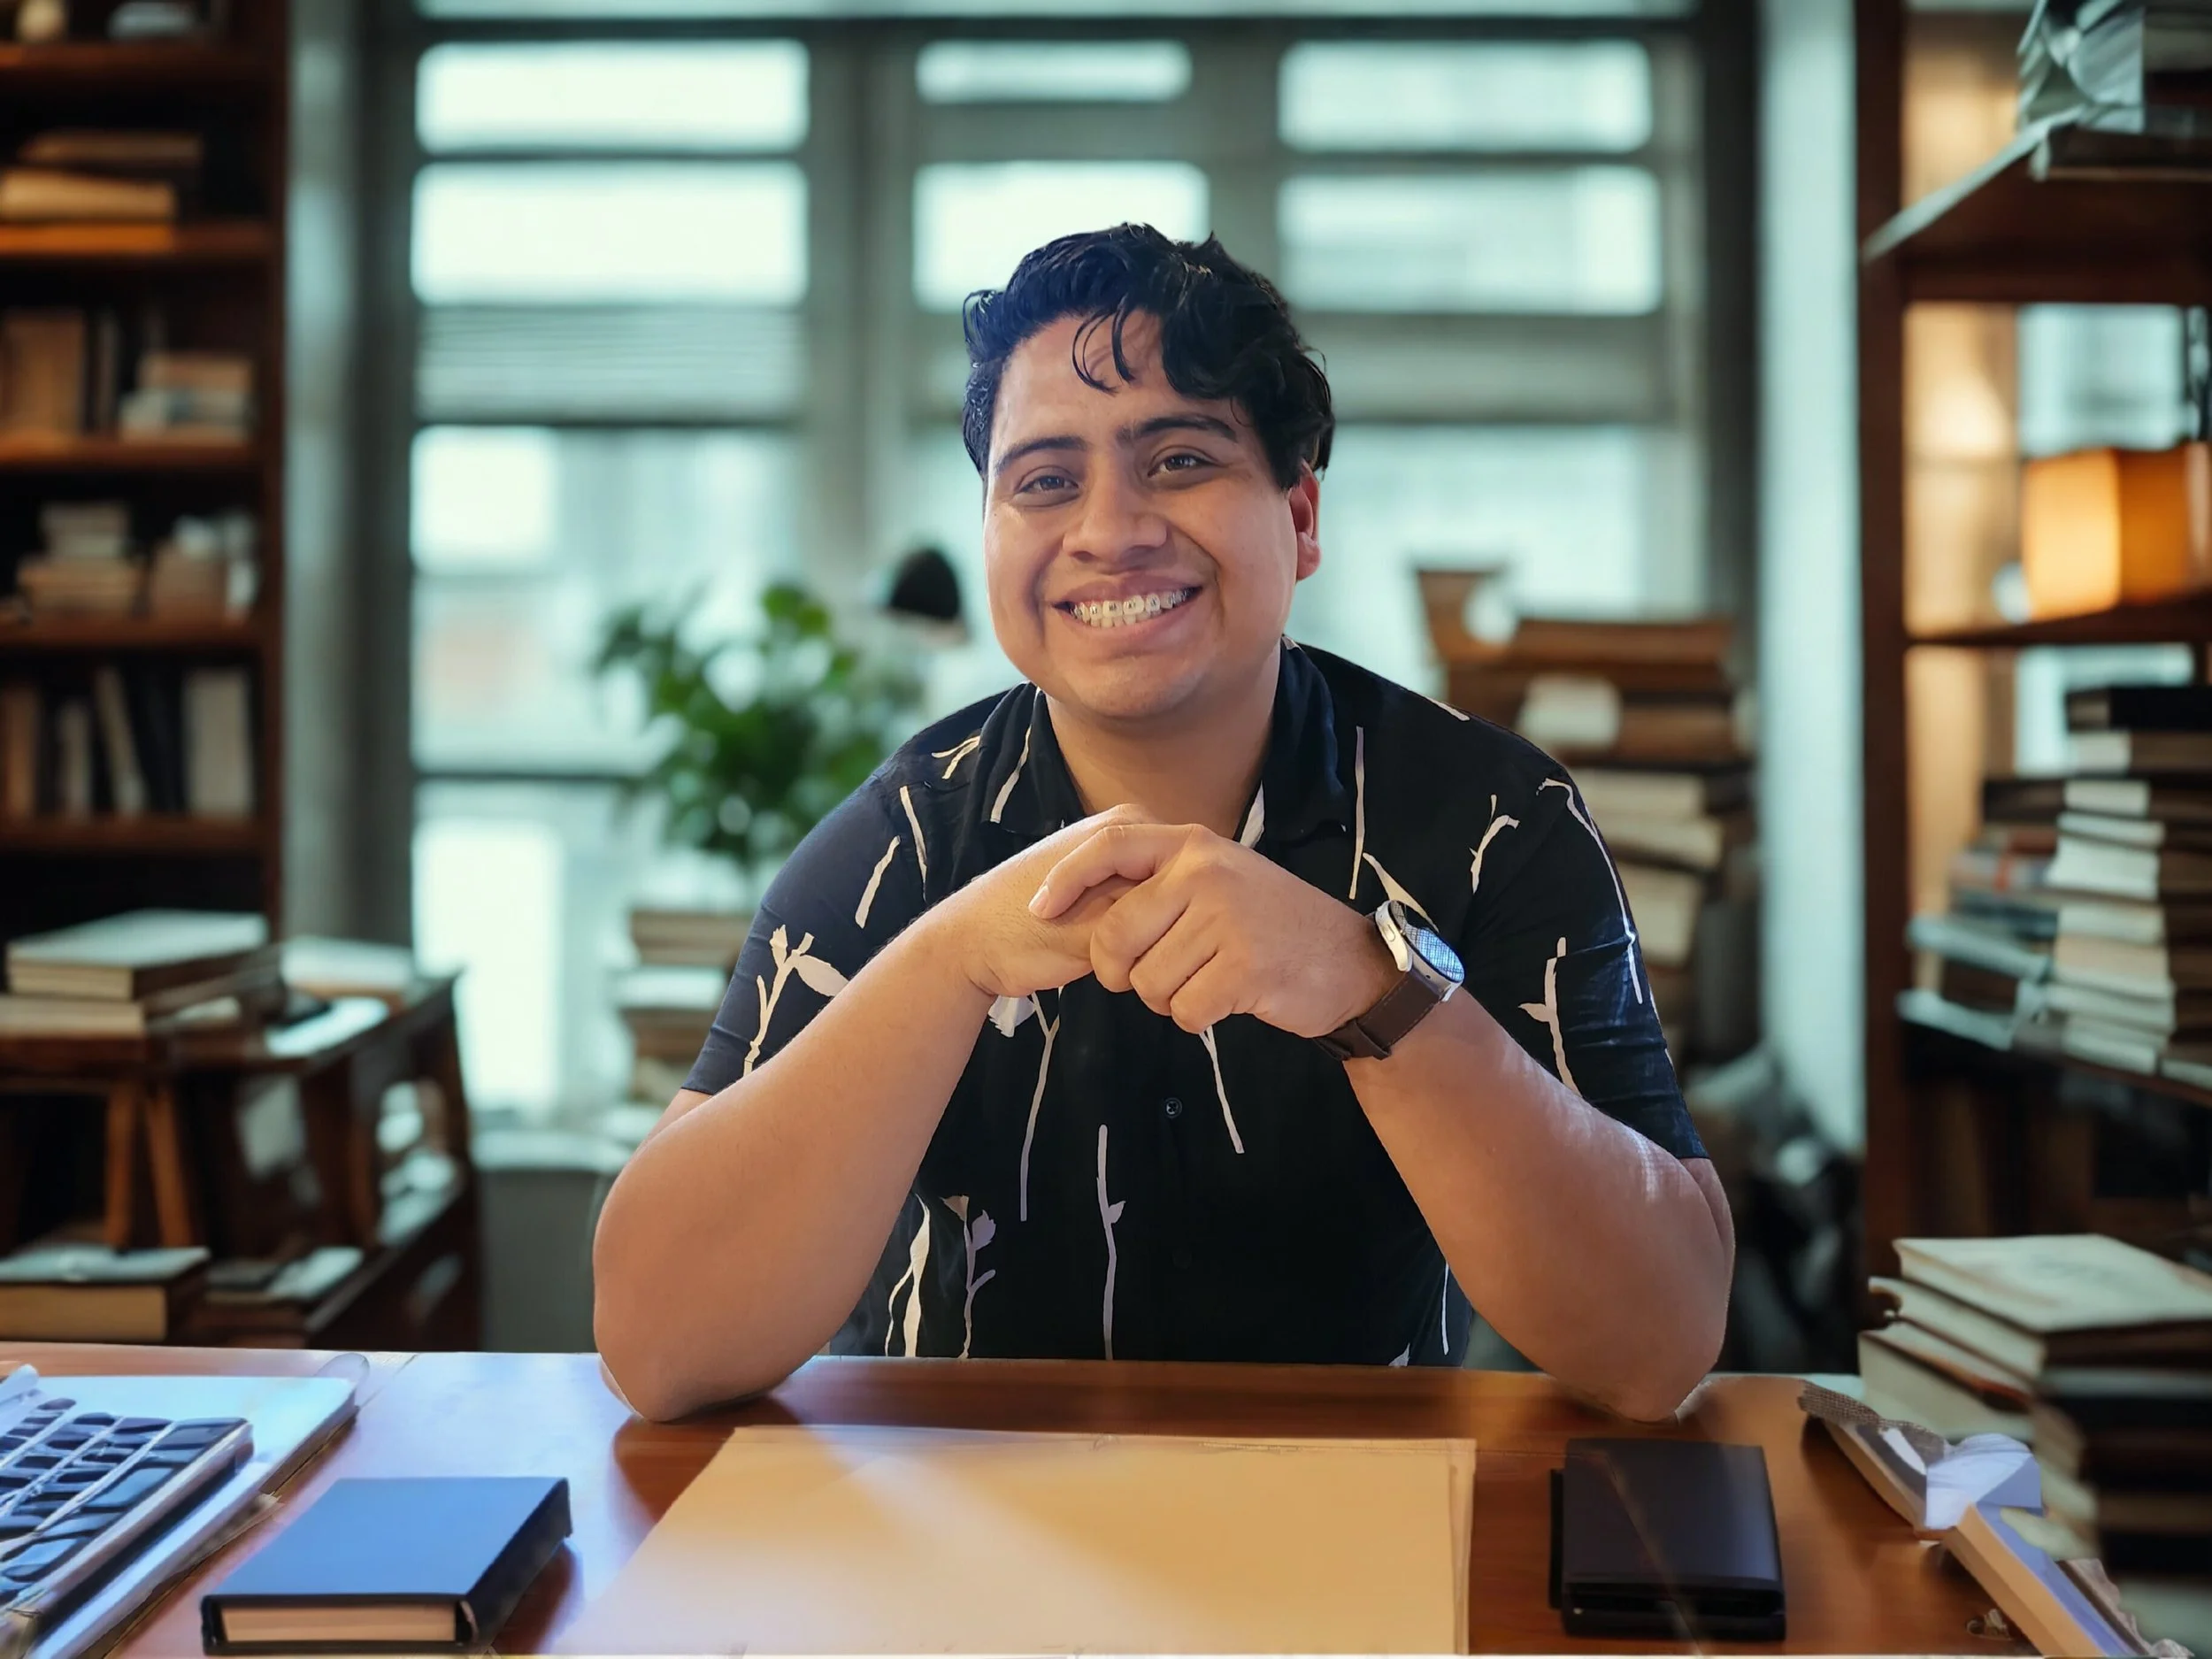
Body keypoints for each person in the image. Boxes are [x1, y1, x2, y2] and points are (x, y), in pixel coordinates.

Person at [593, 225, 1734, 1423]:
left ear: (1298, 516)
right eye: (1042, 480)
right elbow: (655, 1346)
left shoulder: (1495, 821)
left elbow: (1660, 1342)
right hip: (953, 1529)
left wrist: (1371, 982)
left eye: (1180, 458)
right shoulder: (903, 845)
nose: (1109, 528)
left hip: (1360, 1528)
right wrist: (948, 960)